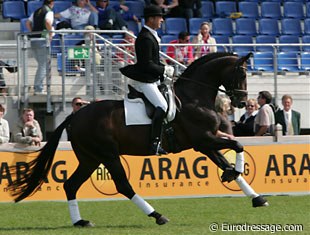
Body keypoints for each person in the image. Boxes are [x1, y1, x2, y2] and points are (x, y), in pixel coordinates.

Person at [120, 4, 175, 155]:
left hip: (152, 78)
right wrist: (164, 69)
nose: (162, 20)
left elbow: (154, 61)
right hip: (144, 80)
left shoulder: (150, 35)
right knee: (162, 106)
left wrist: (164, 69)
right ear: (151, 19)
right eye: (159, 17)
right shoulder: (145, 38)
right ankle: (154, 143)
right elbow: (146, 64)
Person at [26, 0, 55, 95]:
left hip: (33, 40)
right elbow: (47, 22)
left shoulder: (36, 11)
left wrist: (32, 33)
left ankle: (38, 87)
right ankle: (38, 88)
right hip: (42, 40)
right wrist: (51, 33)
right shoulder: (49, 11)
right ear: (52, 3)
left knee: (41, 65)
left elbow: (27, 23)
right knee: (44, 65)